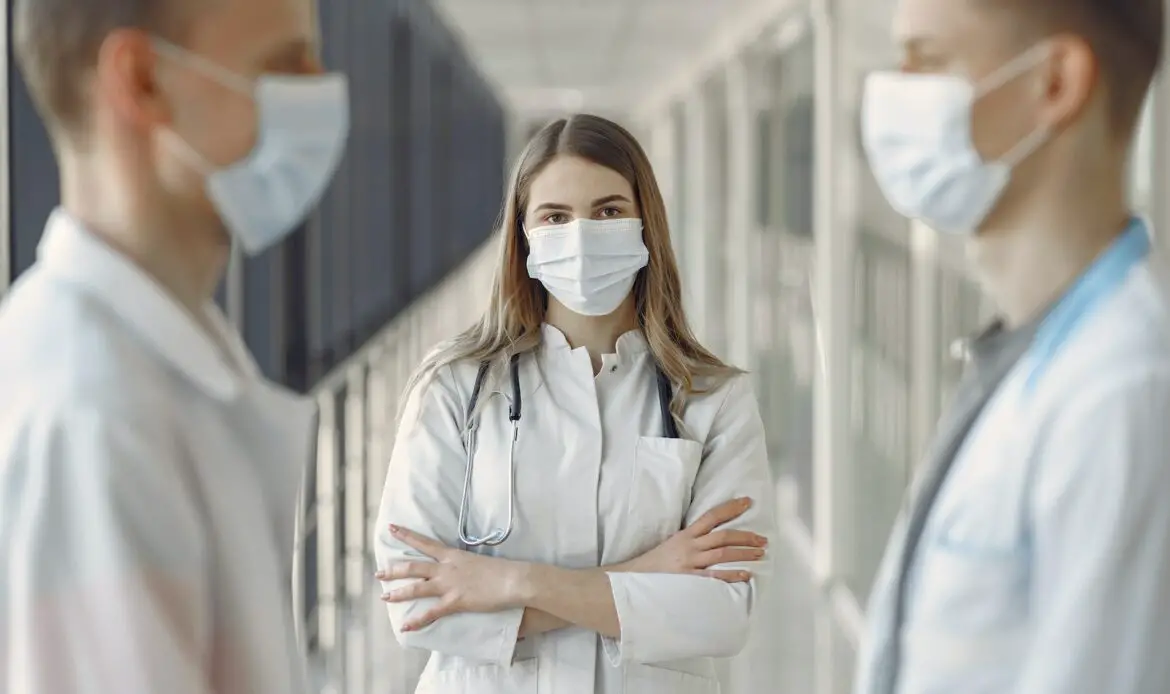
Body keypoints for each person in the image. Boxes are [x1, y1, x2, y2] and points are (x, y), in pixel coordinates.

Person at [0, 0, 348, 691]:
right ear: (142, 81)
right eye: (283, 65)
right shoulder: (93, 417)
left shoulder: (162, 359)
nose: (323, 86)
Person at [373, 114, 776, 694]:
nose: (582, 234)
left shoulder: (713, 399)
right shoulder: (455, 387)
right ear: (525, 237)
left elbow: (723, 612)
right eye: (555, 217)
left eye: (609, 211)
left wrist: (514, 583)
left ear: (645, 225)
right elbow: (415, 607)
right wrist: (645, 574)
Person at [855, 0, 1170, 692]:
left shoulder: (1123, 394)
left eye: (928, 60)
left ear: (1054, 84)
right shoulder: (1029, 353)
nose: (891, 90)